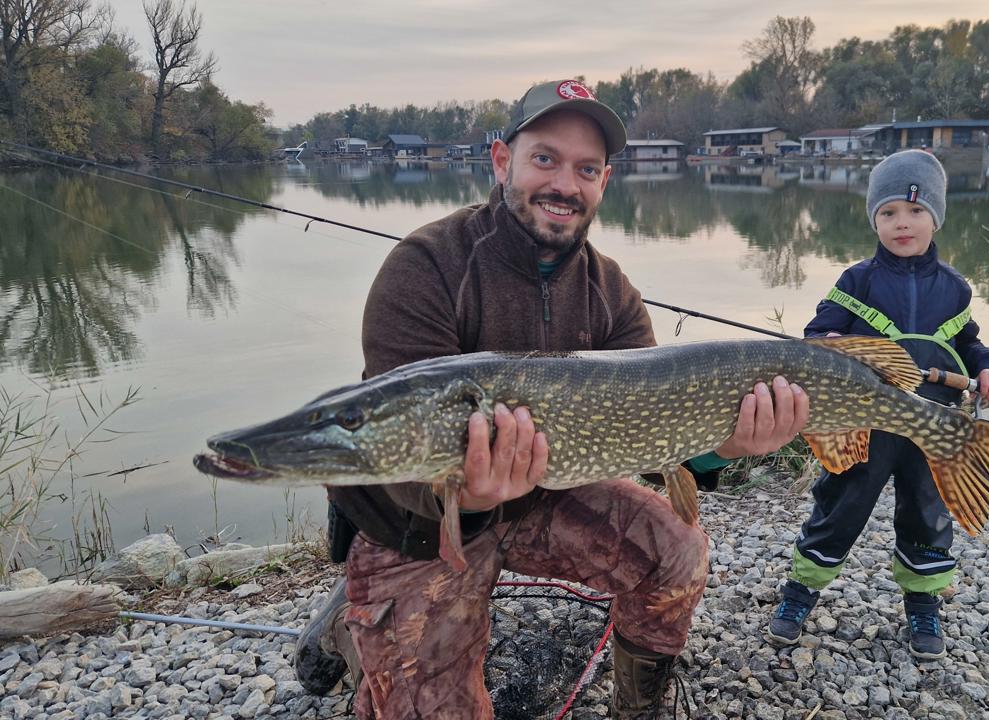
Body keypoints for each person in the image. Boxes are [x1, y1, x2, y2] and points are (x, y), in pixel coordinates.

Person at [293, 79, 810, 719]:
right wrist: (472, 496)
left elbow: (656, 444)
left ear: (604, 181)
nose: (565, 183)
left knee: (678, 551)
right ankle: (357, 613)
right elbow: (391, 451)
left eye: (586, 168)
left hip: (546, 495)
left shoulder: (610, 291)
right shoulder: (424, 265)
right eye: (545, 159)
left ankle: (638, 706)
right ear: (502, 160)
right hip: (417, 519)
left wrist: (732, 442)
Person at [764, 149, 989, 659]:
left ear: (936, 217)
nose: (903, 223)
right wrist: (830, 338)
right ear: (874, 219)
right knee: (840, 506)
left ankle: (923, 601)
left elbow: (968, 342)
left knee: (928, 514)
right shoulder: (858, 280)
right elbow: (818, 332)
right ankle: (800, 591)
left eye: (916, 212)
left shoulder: (955, 287)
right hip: (863, 425)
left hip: (934, 423)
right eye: (889, 213)